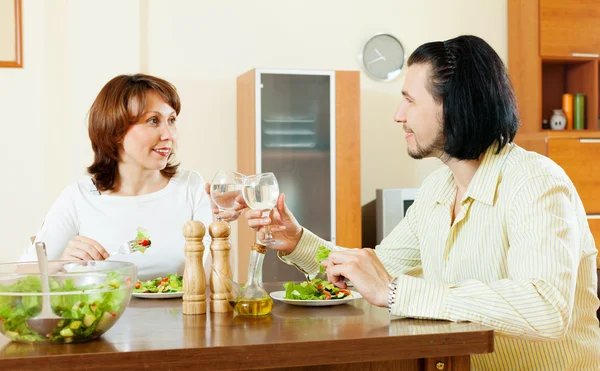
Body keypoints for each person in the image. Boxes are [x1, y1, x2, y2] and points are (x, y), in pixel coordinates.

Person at [236, 36, 600, 369]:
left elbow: (545, 309)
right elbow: (374, 272)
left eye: (410, 100)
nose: (398, 114)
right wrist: (299, 241)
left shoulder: (534, 182)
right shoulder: (436, 191)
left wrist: (396, 292)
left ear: (456, 105)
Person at [22, 74, 213, 280]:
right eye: (153, 120)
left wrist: (222, 226)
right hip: (104, 312)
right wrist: (61, 266)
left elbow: (213, 276)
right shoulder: (79, 197)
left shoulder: (191, 186)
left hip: (180, 312)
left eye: (171, 120)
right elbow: (20, 276)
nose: (169, 135)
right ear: (116, 132)